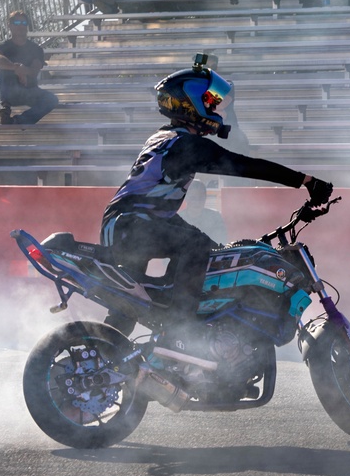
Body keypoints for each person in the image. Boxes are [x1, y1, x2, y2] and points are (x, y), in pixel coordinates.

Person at [101, 56, 333, 329]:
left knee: (206, 251)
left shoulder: (165, 137)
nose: (215, 109)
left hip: (132, 222)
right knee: (196, 245)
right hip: (133, 223)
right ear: (191, 103)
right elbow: (244, 165)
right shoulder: (185, 144)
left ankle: (114, 345)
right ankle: (181, 324)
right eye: (209, 102)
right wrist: (305, 181)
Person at [0, 11, 59, 125]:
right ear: (10, 25)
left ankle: (17, 121)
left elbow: (34, 71)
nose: (20, 26)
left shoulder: (36, 49)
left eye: (23, 23)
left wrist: (23, 70)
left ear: (27, 26)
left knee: (51, 99)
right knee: (2, 65)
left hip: (28, 91)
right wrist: (15, 68)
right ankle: (5, 108)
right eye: (17, 22)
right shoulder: (3, 46)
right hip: (8, 93)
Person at [178, 179, 228, 244]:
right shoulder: (177, 219)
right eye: (193, 198)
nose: (197, 202)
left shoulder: (215, 218)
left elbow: (220, 242)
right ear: (186, 199)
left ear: (205, 198)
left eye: (200, 198)